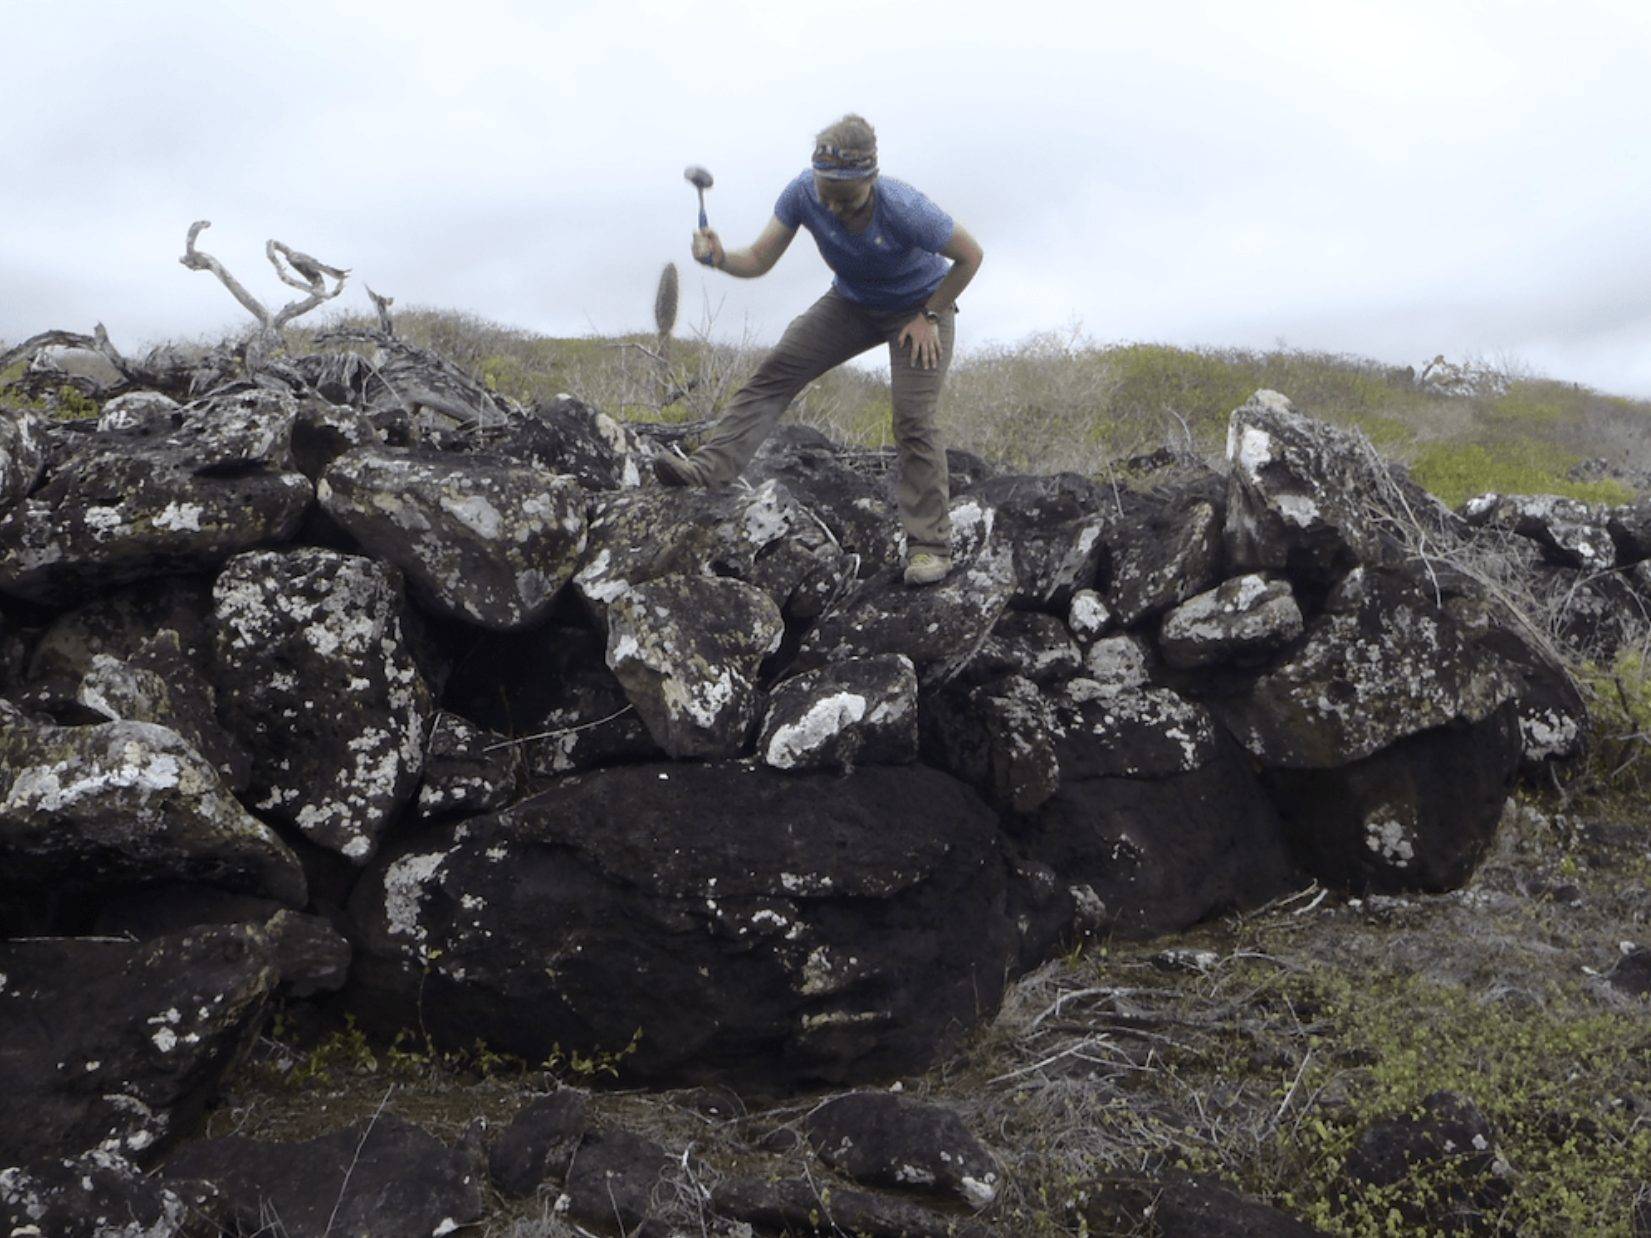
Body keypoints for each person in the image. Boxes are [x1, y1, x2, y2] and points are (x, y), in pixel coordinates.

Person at [656, 114, 984, 587]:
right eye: (825, 192)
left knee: (914, 419)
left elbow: (970, 256)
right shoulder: (802, 193)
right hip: (851, 303)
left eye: (845, 198)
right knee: (779, 369)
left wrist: (930, 314)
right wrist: (722, 257)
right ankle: (708, 470)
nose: (831, 207)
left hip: (920, 309)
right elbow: (759, 259)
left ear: (870, 180)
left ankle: (929, 547)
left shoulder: (906, 207)